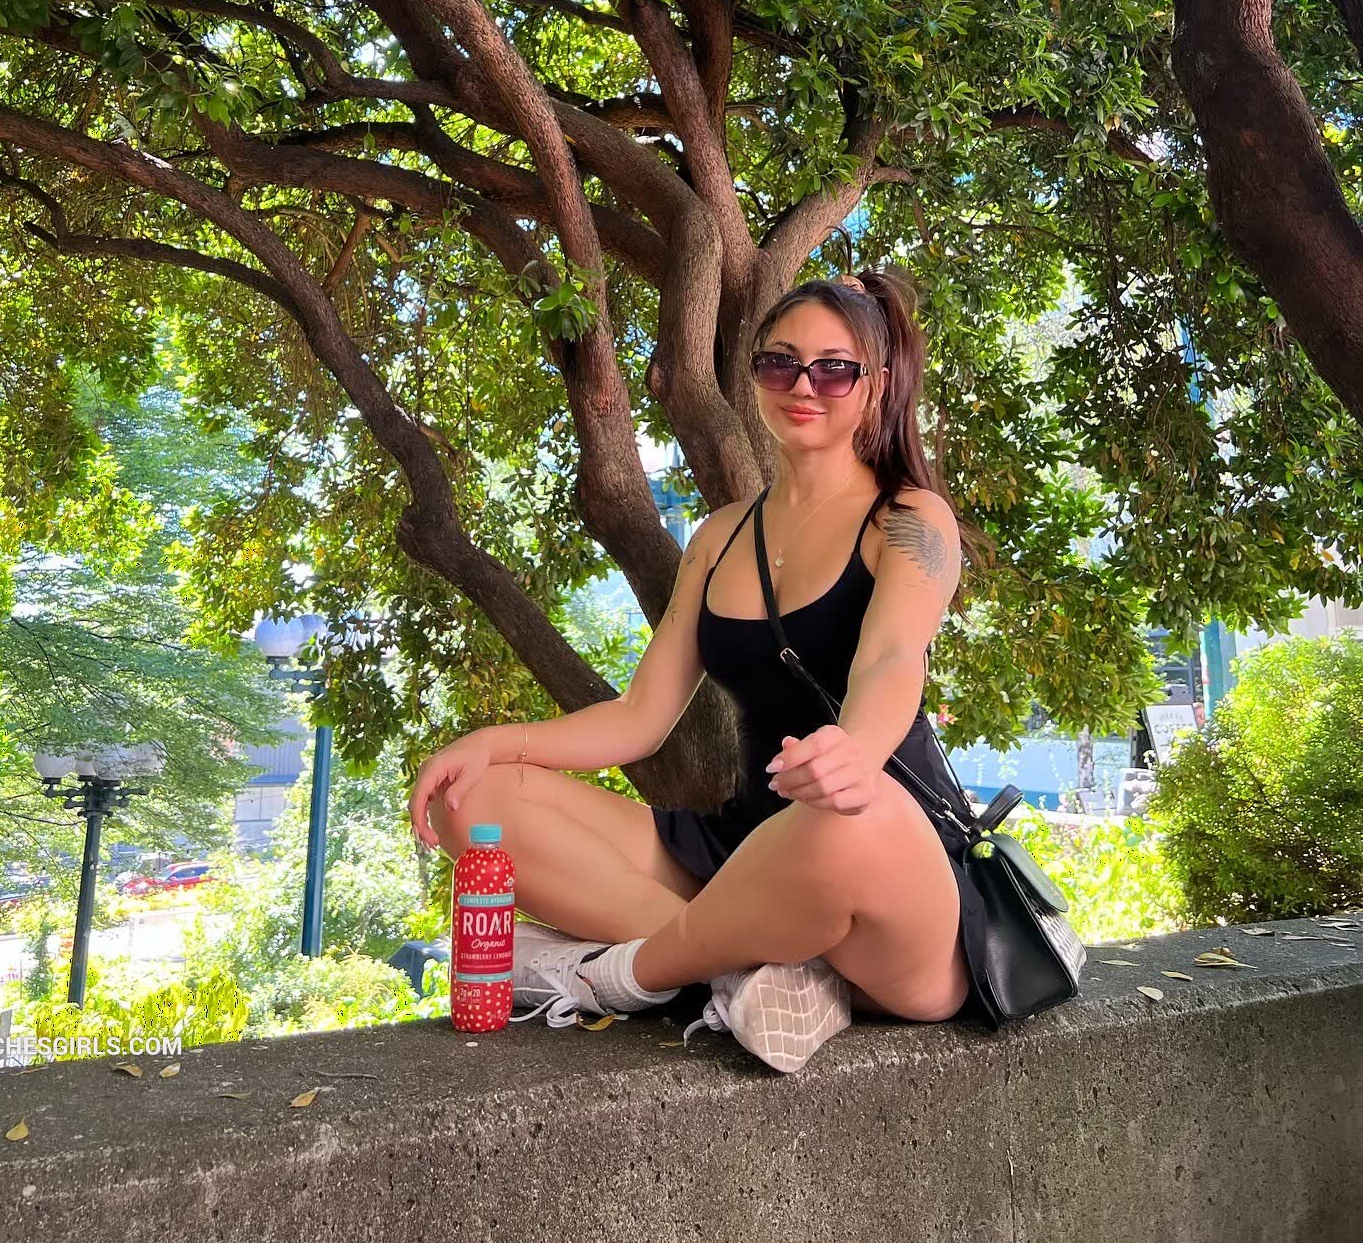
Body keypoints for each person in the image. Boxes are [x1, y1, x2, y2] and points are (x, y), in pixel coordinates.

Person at [409, 268, 1003, 1072]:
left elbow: (893, 658)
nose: (803, 385)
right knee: (475, 801)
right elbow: (641, 717)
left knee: (844, 821)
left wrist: (855, 754)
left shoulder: (908, 518)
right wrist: (492, 742)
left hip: (881, 863)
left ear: (878, 384)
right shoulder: (720, 537)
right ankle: (755, 972)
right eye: (779, 363)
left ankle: (623, 975)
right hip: (740, 851)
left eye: (834, 369)